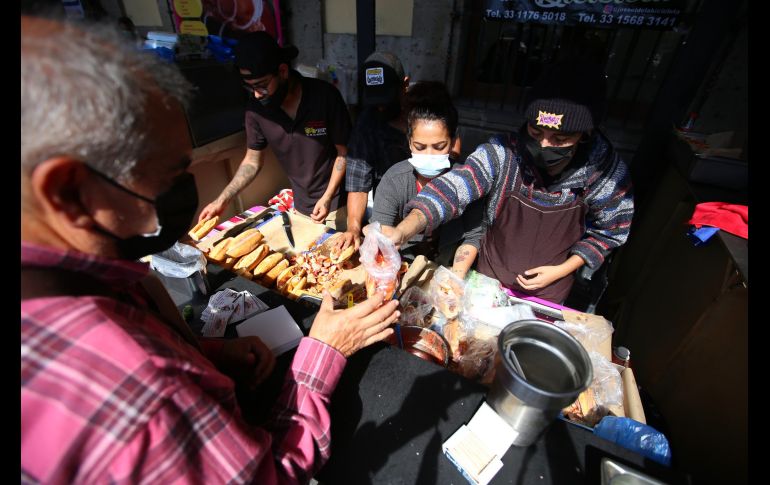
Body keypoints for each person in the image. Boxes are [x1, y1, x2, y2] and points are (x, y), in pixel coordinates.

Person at [21, 16, 399, 483]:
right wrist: (322, 351)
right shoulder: (147, 399)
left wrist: (200, 353)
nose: (185, 192)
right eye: (170, 175)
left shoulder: (88, 284)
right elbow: (270, 475)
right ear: (68, 192)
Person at [375, 61, 634, 304]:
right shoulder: (503, 153)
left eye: (559, 139)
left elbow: (610, 231)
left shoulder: (605, 172)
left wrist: (561, 270)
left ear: (585, 134)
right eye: (536, 132)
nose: (544, 145)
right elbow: (454, 188)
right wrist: (405, 229)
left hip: (548, 292)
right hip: (488, 280)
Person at [198, 31, 352, 229]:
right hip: (302, 208)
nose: (256, 94)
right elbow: (252, 161)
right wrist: (222, 199)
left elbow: (344, 153)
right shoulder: (256, 110)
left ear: (283, 71)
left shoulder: (324, 96)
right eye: (250, 87)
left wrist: (327, 197)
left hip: (337, 205)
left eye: (261, 85)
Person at [370, 81, 479, 272]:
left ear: (453, 142)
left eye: (439, 147)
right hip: (402, 265)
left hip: (449, 265)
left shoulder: (466, 180)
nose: (429, 155)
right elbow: (381, 231)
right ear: (410, 142)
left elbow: (474, 235)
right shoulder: (394, 181)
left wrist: (455, 275)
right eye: (420, 147)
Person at [336, 51, 412, 250]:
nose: (380, 108)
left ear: (405, 85)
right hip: (388, 219)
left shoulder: (426, 111)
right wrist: (353, 227)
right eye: (374, 101)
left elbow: (453, 141)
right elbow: (358, 181)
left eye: (386, 101)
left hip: (431, 217)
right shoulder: (367, 123)